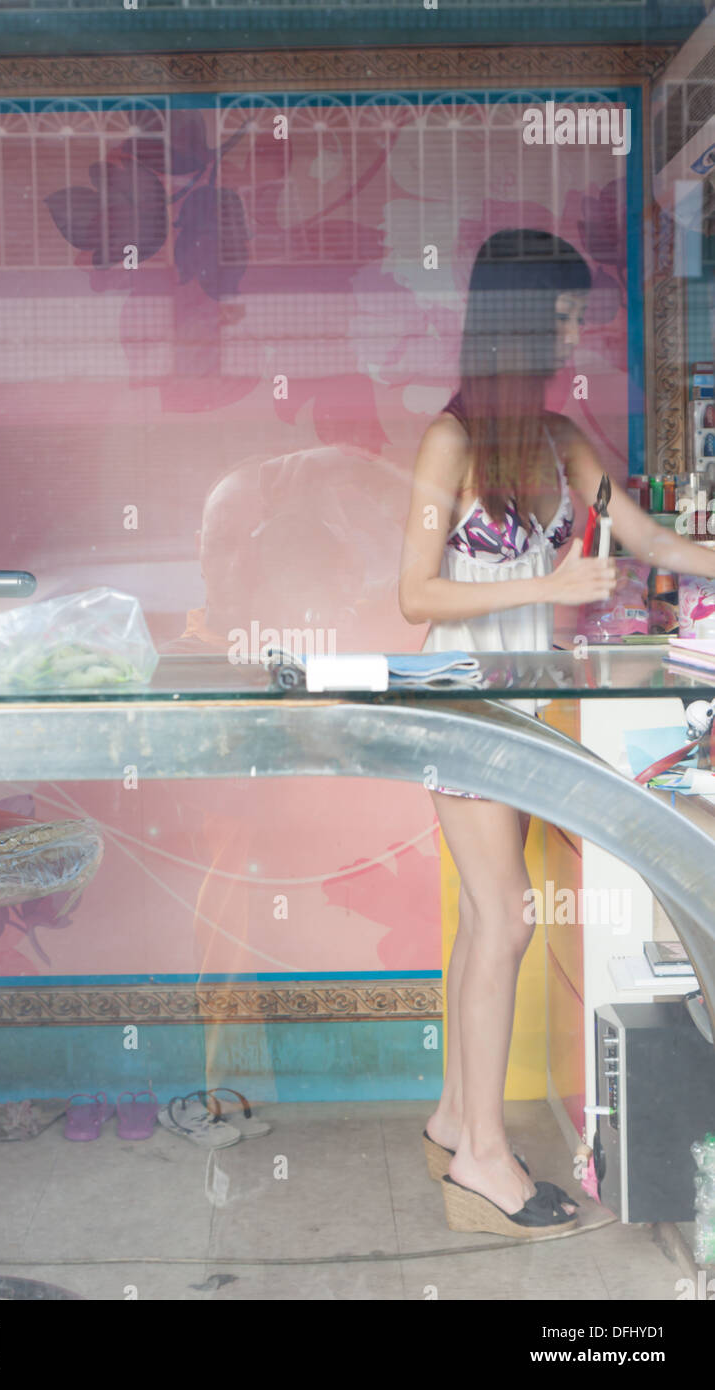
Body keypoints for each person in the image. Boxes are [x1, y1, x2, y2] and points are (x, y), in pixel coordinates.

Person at [398, 227, 715, 1237]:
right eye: (566, 311)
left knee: (483, 923)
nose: (579, 325)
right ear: (521, 318)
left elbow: (653, 540)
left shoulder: (559, 439)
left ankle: (456, 1118)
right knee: (506, 919)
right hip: (460, 700)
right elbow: (413, 595)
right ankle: (482, 1160)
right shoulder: (448, 441)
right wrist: (550, 582)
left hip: (523, 705)